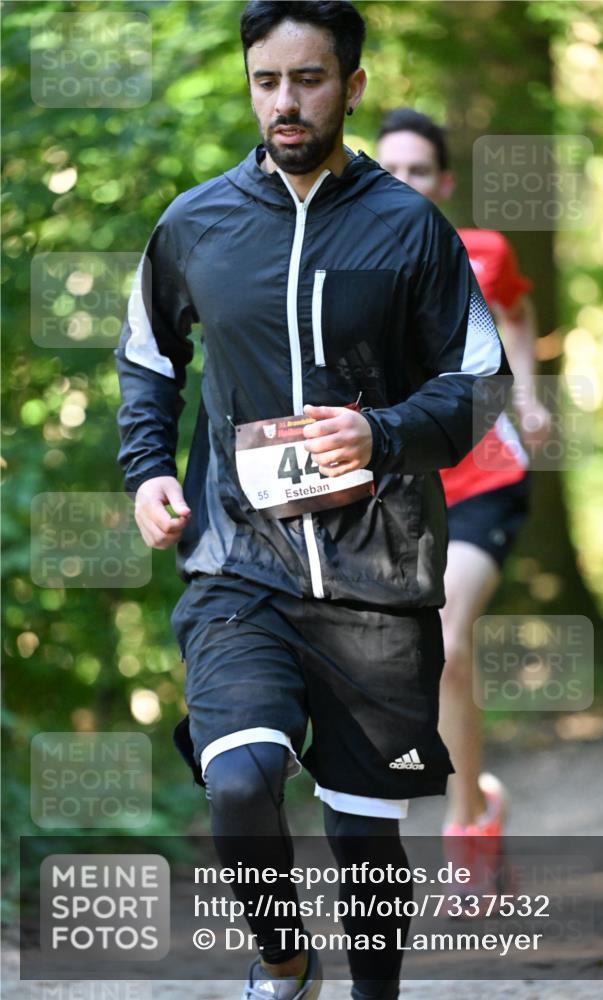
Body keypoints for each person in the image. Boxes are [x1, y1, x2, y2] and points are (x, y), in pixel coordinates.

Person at [115, 5, 511, 999]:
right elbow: (148, 358)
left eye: (308, 79)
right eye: (265, 81)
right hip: (236, 563)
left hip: (378, 576)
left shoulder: (408, 228)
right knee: (241, 779)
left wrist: (379, 433)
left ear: (352, 85)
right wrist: (148, 471)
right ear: (248, 84)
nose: (285, 102)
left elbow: (479, 383)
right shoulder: (196, 222)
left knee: (361, 832)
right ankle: (285, 960)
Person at [376, 109, 551, 866]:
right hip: (400, 490)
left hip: (488, 478)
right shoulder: (348, 265)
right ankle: (477, 800)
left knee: (446, 645)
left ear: (442, 182)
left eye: (418, 171)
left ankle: (465, 829)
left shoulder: (483, 251)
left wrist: (528, 393)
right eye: (390, 171)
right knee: (423, 652)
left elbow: (515, 310)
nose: (405, 184)